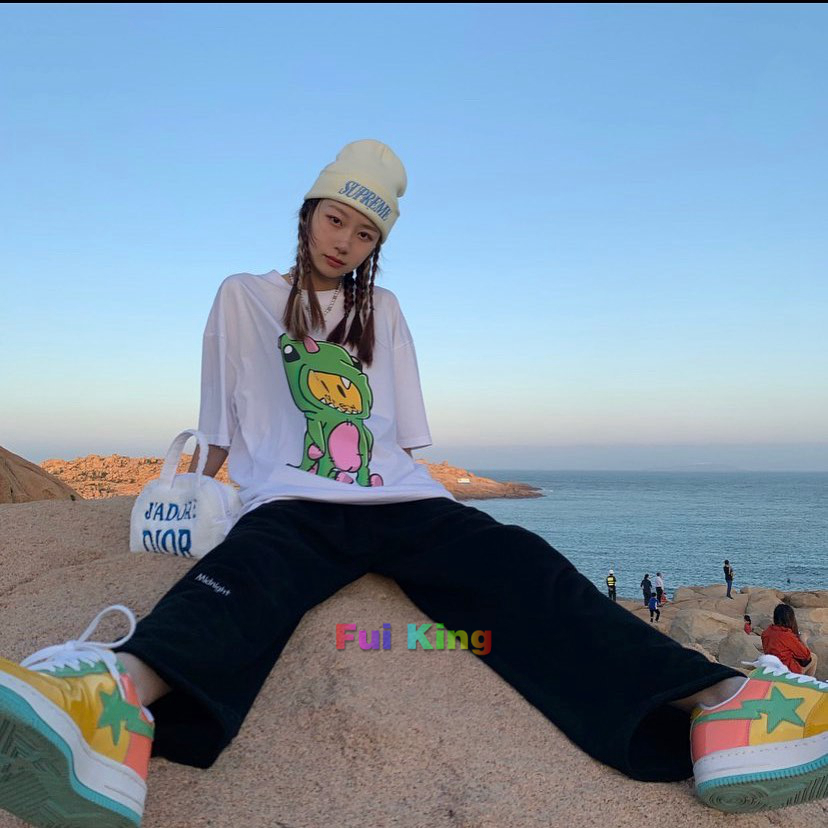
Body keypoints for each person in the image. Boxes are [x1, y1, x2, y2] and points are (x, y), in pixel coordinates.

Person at [0, 139, 827, 827]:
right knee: (244, 581)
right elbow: (219, 420)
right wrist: (201, 491)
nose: (344, 242)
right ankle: (114, 700)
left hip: (405, 501)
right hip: (294, 502)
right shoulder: (244, 297)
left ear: (376, 245)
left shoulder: (385, 311)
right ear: (307, 213)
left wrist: (436, 496)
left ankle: (726, 704)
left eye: (364, 233)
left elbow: (394, 441)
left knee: (529, 571)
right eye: (335, 219)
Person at [761, 604, 819, 677]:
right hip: (787, 671)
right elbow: (806, 656)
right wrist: (803, 640)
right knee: (813, 657)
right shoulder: (786, 635)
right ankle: (806, 680)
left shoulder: (766, 632)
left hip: (772, 667)